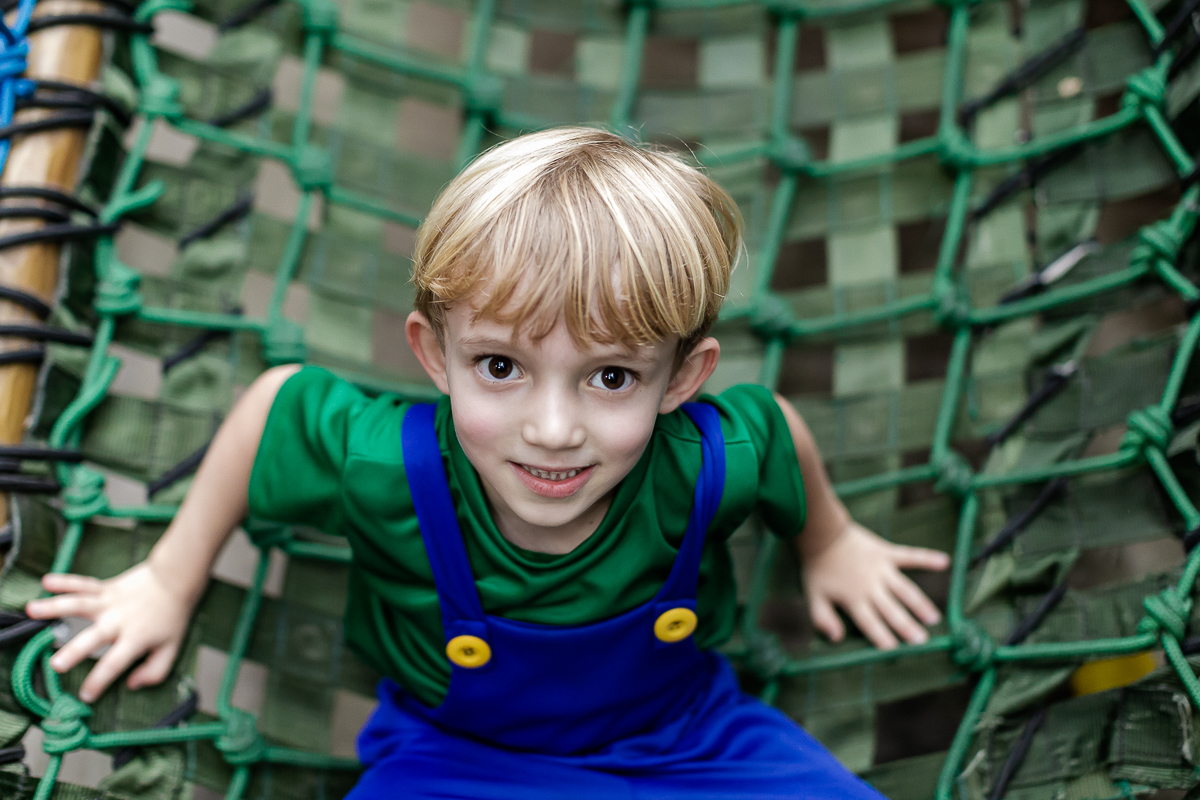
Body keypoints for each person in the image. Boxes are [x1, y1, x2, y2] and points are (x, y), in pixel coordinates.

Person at [26, 126, 950, 798]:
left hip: (688, 739)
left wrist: (832, 543)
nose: (551, 429)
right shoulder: (386, 463)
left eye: (611, 376)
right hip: (454, 753)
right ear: (435, 355)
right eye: (501, 367)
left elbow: (775, 430)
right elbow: (273, 408)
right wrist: (170, 580)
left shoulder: (706, 460)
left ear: (682, 378)